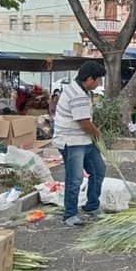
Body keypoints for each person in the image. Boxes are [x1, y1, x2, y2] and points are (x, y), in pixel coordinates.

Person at [53, 61, 107, 227]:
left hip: (83, 140)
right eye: (98, 80)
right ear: (90, 79)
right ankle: (70, 214)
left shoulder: (79, 89)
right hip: (72, 141)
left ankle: (91, 206)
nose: (99, 84)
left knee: (98, 170)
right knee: (75, 178)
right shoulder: (77, 95)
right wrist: (97, 134)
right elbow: (83, 122)